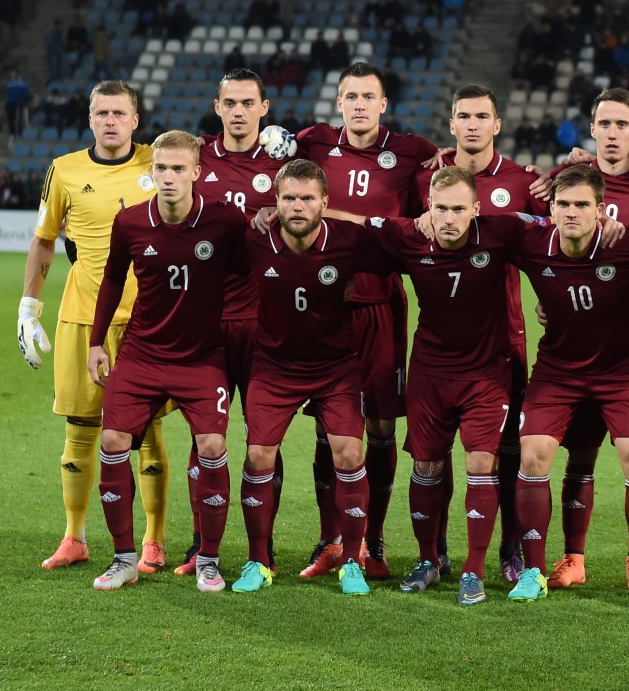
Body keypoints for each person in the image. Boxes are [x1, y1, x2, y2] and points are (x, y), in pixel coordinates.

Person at [352, 166, 544, 604]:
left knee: (481, 465)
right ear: (428, 209)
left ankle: (473, 571)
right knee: (427, 467)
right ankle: (429, 561)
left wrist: (552, 303)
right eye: (441, 209)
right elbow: (353, 228)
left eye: (459, 209)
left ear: (476, 209)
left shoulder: (500, 232)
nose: (450, 218)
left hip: (486, 375)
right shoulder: (409, 237)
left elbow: (555, 245)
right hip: (430, 374)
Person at [18, 80, 171, 575]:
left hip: (148, 319)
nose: (110, 121)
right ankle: (74, 537)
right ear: (90, 119)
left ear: (135, 120)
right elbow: (44, 240)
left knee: (147, 429)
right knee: (81, 426)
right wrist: (28, 307)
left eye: (119, 113)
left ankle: (153, 540)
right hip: (84, 316)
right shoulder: (64, 170)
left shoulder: (157, 161)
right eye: (102, 113)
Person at [292, 63, 438, 580]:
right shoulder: (312, 143)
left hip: (380, 305)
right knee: (326, 427)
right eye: (350, 96)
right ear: (338, 103)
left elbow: (433, 206)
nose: (359, 104)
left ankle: (372, 542)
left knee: (379, 424)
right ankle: (331, 540)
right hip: (324, 306)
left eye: (367, 96)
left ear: (383, 104)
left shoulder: (414, 153)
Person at [87, 130, 248, 592]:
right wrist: (97, 343)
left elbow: (251, 271)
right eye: (161, 168)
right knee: (113, 439)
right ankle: (124, 558)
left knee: (212, 446)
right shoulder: (130, 222)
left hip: (202, 357)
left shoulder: (225, 221)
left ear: (197, 172)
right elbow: (112, 280)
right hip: (142, 353)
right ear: (151, 171)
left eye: (179, 168)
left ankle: (208, 560)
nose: (169, 177)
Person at [231, 158, 399, 596]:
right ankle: (258, 561)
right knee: (258, 455)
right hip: (274, 366)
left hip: (335, 367)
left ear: (325, 202)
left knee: (349, 451)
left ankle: (351, 562)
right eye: (289, 198)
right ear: (276, 201)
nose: (297, 206)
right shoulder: (255, 239)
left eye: (307, 198)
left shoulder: (350, 240)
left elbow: (409, 253)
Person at [543, 89, 629, 591]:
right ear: (591, 129)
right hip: (575, 341)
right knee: (579, 455)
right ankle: (573, 557)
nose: (611, 132)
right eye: (603, 124)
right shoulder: (569, 179)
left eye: (621, 124)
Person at [412, 85, 548, 584]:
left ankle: (510, 549)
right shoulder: (426, 178)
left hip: (504, 335)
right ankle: (437, 550)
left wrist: (549, 298)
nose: (472, 124)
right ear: (451, 124)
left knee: (505, 450)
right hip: (442, 339)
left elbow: (549, 238)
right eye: (464, 116)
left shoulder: (524, 181)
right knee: (436, 449)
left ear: (497, 124)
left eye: (482, 116)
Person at [170, 68, 294, 578]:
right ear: (216, 107)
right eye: (230, 103)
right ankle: (201, 543)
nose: (238, 111)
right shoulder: (196, 158)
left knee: (264, 440)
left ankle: (263, 548)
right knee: (205, 439)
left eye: (248, 103)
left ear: (264, 108)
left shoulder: (284, 165)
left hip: (264, 322)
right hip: (204, 324)